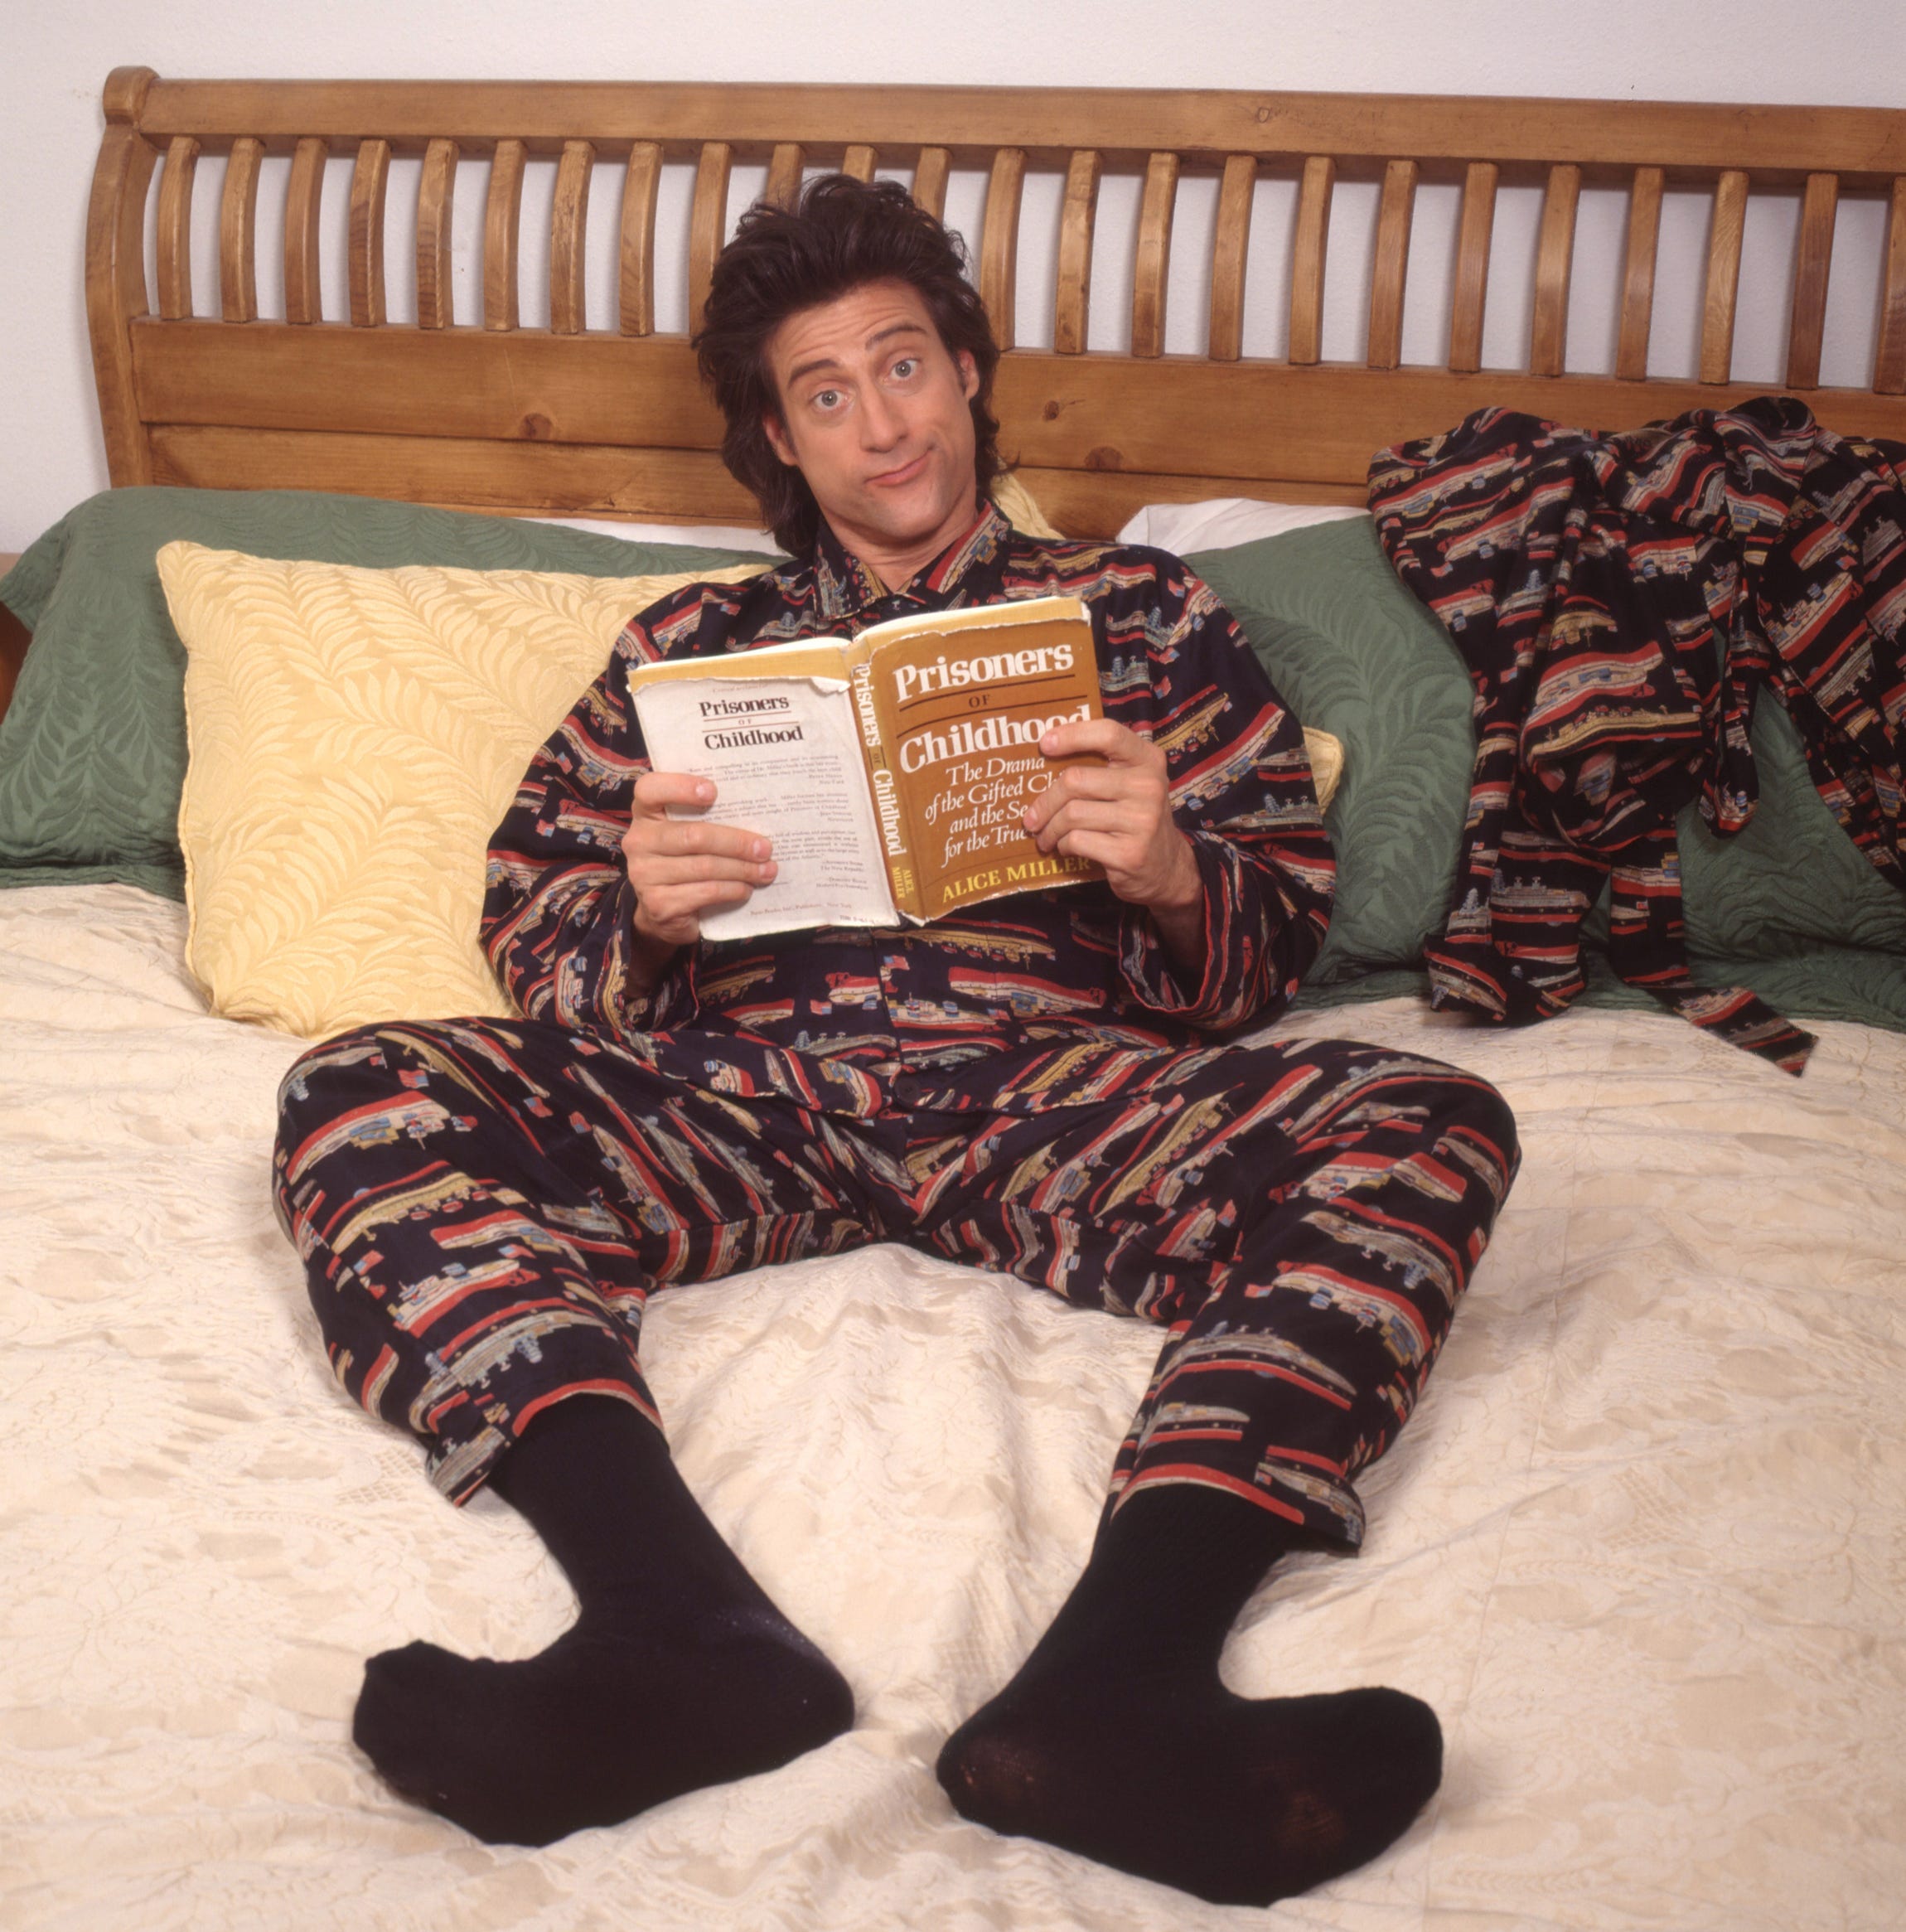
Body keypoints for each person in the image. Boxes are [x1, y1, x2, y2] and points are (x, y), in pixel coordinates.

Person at [272, 175, 1519, 1908]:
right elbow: (529, 931)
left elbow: (1270, 944)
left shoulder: (1145, 615)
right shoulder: (679, 648)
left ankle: (1118, 1682)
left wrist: (1165, 868)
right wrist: (636, 914)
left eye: (906, 365)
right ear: (776, 439)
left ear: (966, 373)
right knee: (357, 1086)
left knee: (1431, 1115)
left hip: (1058, 1100)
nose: (883, 425)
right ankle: (671, 1630)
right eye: (827, 391)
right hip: (746, 1102)